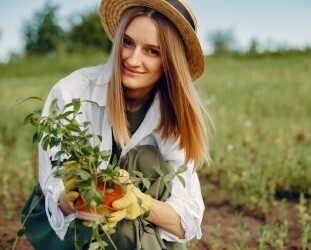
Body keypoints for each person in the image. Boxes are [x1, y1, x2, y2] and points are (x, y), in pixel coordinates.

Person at [21, 0, 212, 249]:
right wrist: (75, 196)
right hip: (76, 225)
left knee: (145, 160)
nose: (132, 60)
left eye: (152, 51)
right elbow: (53, 186)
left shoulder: (173, 114)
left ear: (169, 62)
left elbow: (187, 218)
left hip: (140, 228)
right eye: (128, 42)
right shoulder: (73, 92)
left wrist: (139, 203)